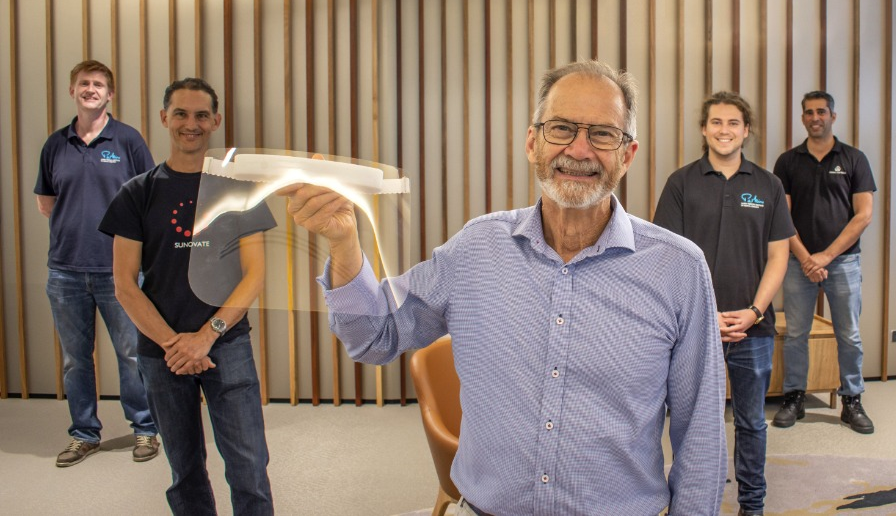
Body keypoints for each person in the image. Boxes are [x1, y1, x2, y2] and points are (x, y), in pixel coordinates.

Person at [279, 60, 727, 515]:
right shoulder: (476, 248)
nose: (579, 149)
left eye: (602, 134)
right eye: (561, 128)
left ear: (626, 155)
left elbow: (702, 435)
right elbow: (374, 337)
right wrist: (344, 241)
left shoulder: (679, 269)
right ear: (533, 143)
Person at [99, 78, 276, 515]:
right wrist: (175, 344)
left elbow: (254, 275)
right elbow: (124, 283)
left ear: (215, 121)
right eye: (180, 113)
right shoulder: (136, 193)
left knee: (249, 468)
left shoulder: (239, 189)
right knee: (186, 472)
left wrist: (207, 335)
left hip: (226, 345)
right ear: (164, 119)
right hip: (162, 355)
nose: (190, 124)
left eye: (201, 115)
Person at [653, 92, 794, 516]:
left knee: (751, 424)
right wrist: (705, 315)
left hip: (753, 330)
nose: (724, 130)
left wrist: (753, 312)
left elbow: (779, 256)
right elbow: (667, 256)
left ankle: (752, 506)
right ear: (703, 129)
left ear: (746, 130)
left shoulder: (768, 185)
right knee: (694, 425)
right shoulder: (681, 183)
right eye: (716, 122)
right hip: (694, 329)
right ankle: (694, 503)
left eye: (733, 123)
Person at [34, 59, 159, 467]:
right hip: (65, 271)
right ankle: (83, 434)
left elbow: (150, 199)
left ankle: (145, 429)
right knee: (75, 359)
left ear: (110, 94)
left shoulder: (128, 141)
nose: (91, 89)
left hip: (119, 272)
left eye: (99, 84)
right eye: (84, 83)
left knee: (132, 354)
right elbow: (46, 203)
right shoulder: (55, 144)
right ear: (73, 90)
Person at [772, 91, 877, 435]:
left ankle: (852, 400)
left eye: (821, 111)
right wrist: (805, 258)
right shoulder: (787, 162)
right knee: (796, 334)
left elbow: (863, 216)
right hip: (797, 264)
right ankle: (795, 397)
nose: (815, 117)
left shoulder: (854, 159)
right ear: (802, 118)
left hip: (843, 263)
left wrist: (826, 257)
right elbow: (781, 218)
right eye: (808, 112)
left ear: (833, 115)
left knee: (849, 334)